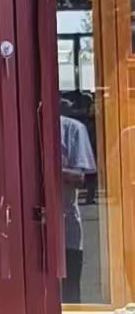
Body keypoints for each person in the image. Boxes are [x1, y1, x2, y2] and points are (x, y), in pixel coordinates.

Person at [59, 111, 96, 303]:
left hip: (66, 225)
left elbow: (80, 178)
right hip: (24, 229)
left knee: (70, 290)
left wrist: (44, 169)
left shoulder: (72, 129)